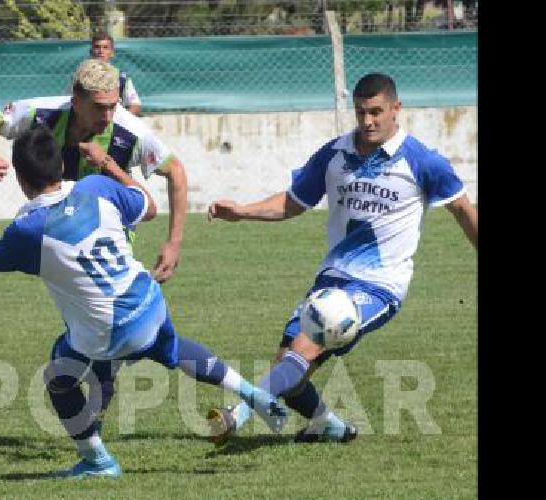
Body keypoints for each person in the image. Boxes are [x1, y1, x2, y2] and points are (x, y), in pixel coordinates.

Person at [0, 125, 288, 478]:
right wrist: (109, 165)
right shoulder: (96, 188)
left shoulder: (27, 230)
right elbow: (148, 206)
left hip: (110, 331)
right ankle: (250, 392)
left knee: (58, 377)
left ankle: (98, 461)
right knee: (170, 347)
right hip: (148, 300)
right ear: (62, 166)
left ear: (20, 177)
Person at [203, 73, 478, 445]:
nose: (368, 122)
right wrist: (243, 211)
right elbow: (293, 202)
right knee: (288, 368)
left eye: (377, 112)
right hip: (331, 279)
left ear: (397, 109)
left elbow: (463, 211)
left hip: (380, 285)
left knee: (304, 348)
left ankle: (238, 415)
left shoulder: (423, 162)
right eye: (361, 112)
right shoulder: (334, 154)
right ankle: (330, 426)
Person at [0, 58, 184, 285]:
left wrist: (173, 243)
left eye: (113, 106)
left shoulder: (132, 132)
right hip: (62, 231)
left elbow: (175, 171)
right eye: (99, 107)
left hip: (108, 237)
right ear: (76, 101)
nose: (108, 116)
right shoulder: (42, 114)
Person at [89, 31, 143, 116]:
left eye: (105, 47)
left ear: (112, 53)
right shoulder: (80, 77)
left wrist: (121, 121)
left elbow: (135, 105)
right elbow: (68, 102)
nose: (101, 51)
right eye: (97, 47)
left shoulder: (121, 78)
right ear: (91, 51)